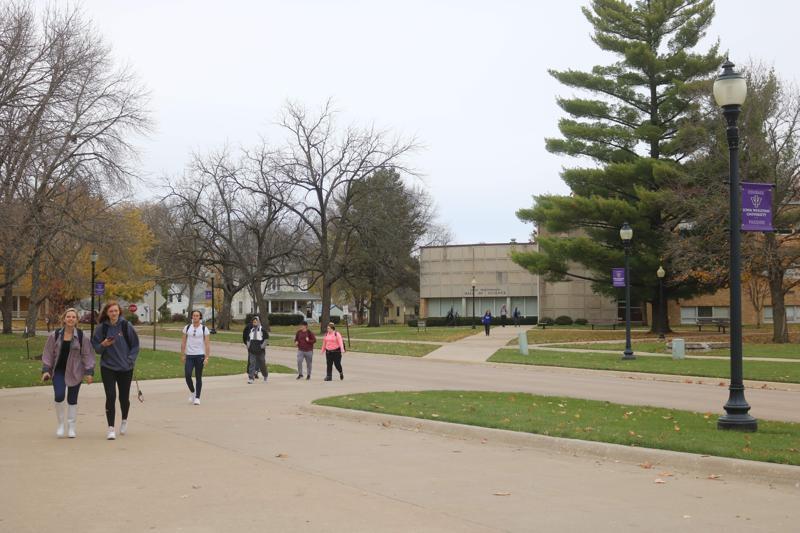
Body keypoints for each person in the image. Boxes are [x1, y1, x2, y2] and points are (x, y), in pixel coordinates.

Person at [40, 308, 95, 438]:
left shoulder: (82, 337)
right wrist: (46, 370)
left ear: (77, 320)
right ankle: (60, 425)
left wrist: (89, 372)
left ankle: (71, 427)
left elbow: (87, 355)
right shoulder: (55, 335)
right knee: (59, 396)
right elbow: (48, 354)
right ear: (64, 319)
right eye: (68, 317)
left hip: (75, 371)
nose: (71, 319)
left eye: (73, 317)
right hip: (59, 371)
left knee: (72, 399)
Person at [92, 301, 140, 440]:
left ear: (119, 312)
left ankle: (124, 420)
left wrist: (130, 359)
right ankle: (111, 428)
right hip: (108, 367)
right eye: (111, 311)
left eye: (116, 311)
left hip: (125, 367)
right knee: (110, 396)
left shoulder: (126, 326)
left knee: (123, 398)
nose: (114, 313)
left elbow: (135, 345)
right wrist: (103, 344)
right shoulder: (102, 328)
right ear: (107, 313)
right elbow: (96, 348)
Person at [181, 310, 210, 405]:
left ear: (200, 317)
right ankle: (193, 392)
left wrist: (206, 357)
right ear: (192, 317)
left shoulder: (204, 329)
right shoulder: (187, 328)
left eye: (197, 316)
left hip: (200, 355)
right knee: (187, 375)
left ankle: (197, 397)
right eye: (194, 315)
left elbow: (207, 344)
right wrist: (182, 354)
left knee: (198, 377)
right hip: (189, 355)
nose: (195, 317)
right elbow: (183, 342)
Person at [242, 316, 268, 384]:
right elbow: (248, 339)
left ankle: (265, 376)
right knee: (252, 363)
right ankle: (251, 378)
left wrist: (262, 346)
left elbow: (266, 339)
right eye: (254, 322)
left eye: (256, 322)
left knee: (262, 363)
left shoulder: (262, 330)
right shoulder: (251, 330)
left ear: (259, 322)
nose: (255, 323)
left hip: (260, 351)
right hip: (252, 350)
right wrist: (249, 347)